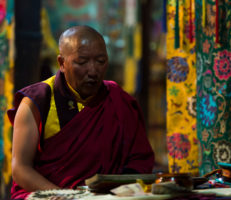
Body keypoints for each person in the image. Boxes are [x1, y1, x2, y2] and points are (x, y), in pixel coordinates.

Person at [8, 25, 154, 199]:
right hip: (50, 194)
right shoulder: (37, 101)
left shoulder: (117, 99)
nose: (93, 71)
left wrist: (120, 191)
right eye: (82, 62)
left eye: (100, 61)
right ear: (62, 63)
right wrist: (63, 196)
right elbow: (20, 169)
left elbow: (139, 160)